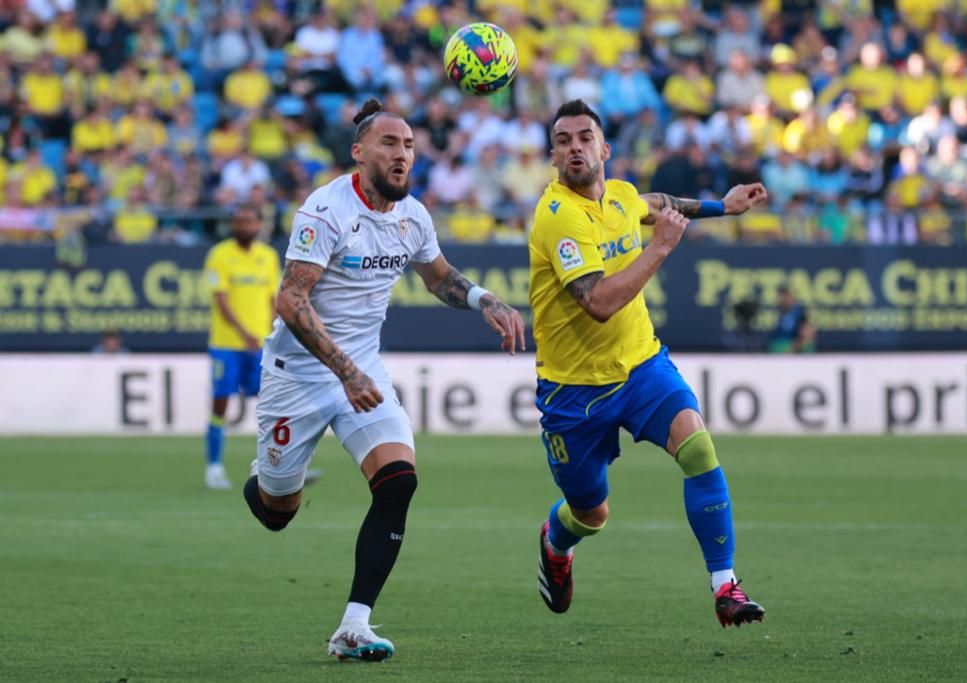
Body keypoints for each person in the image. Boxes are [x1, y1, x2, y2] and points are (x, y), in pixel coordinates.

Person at [244, 99, 525, 662]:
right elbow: (292, 300)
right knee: (277, 513)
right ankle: (264, 478)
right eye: (390, 144)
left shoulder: (412, 216)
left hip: (363, 370)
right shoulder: (325, 211)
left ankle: (353, 625)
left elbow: (437, 276)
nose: (403, 155)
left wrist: (483, 299)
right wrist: (342, 370)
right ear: (359, 152)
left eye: (410, 146)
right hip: (300, 373)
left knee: (398, 481)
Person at [528, 99, 768, 627]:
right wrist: (659, 248)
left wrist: (721, 207)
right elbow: (599, 303)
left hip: (640, 365)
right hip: (574, 392)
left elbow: (655, 201)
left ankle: (725, 586)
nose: (575, 147)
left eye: (584, 137)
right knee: (591, 514)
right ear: (552, 156)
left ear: (604, 148)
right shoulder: (558, 217)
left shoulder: (621, 195)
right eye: (563, 140)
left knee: (698, 447)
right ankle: (556, 541)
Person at [202, 203, 281, 490]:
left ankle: (276, 466)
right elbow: (221, 300)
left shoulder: (268, 257)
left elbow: (274, 299)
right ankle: (214, 466)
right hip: (226, 343)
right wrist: (244, 332)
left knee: (272, 405)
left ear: (259, 224)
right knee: (221, 403)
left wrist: (274, 333)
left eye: (248, 221)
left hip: (261, 345)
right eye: (238, 221)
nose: (243, 226)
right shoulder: (220, 255)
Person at [768, 285, 816, 353]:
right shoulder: (779, 311)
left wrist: (793, 349)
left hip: (791, 350)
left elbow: (808, 333)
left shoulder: (799, 312)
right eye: (780, 296)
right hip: (777, 350)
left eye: (784, 296)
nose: (781, 299)